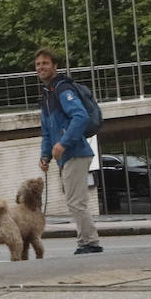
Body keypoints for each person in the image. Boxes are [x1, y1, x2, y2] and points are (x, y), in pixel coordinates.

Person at [35, 47, 102, 255]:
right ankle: (86, 241)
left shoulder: (63, 90)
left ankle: (90, 242)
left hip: (76, 152)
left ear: (55, 66)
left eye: (45, 63)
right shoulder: (47, 95)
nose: (41, 68)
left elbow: (80, 116)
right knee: (75, 201)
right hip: (65, 155)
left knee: (75, 201)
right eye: (38, 64)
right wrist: (45, 155)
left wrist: (63, 143)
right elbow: (47, 131)